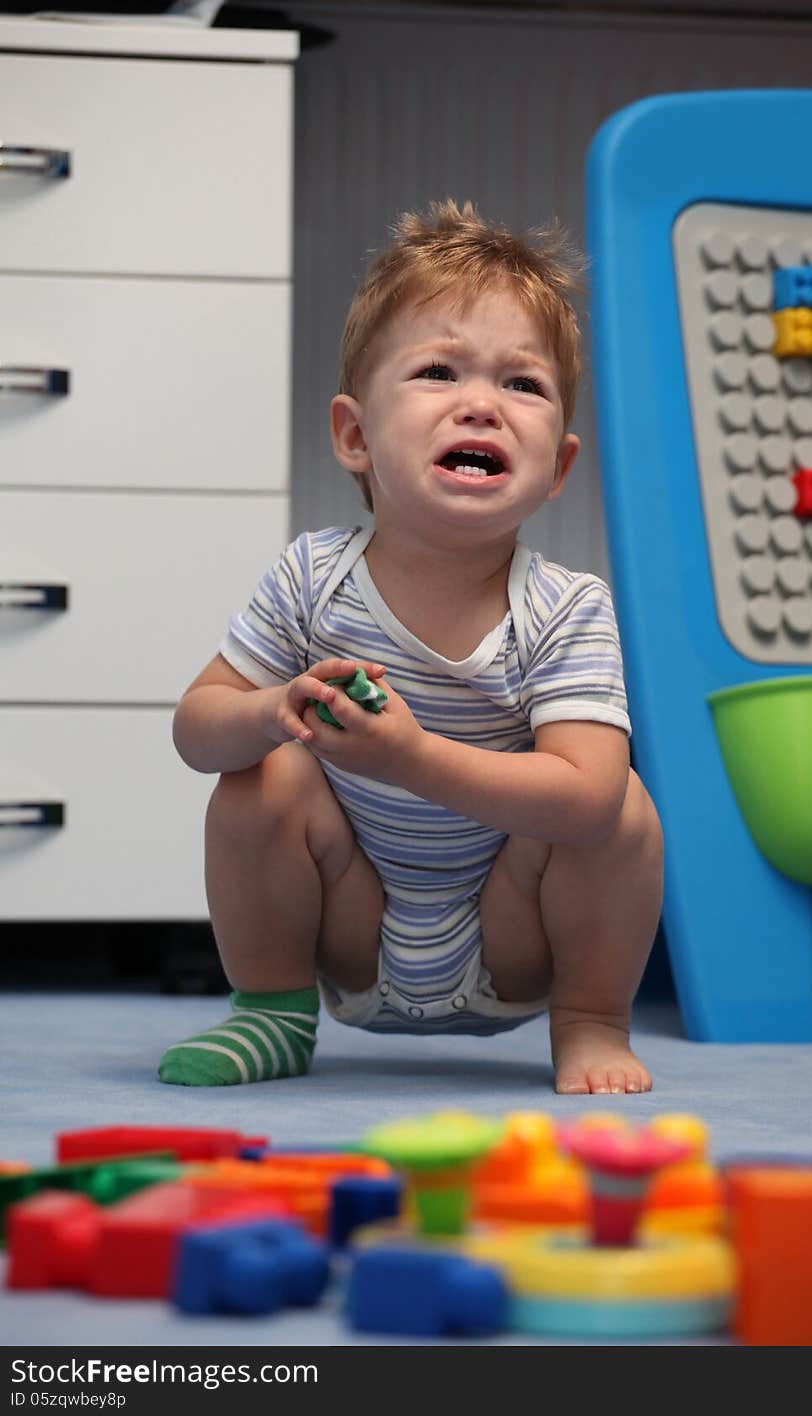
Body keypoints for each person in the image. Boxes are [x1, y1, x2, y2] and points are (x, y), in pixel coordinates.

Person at [158, 199, 663, 1095]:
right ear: (355, 435)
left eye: (523, 384)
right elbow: (196, 730)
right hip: (352, 928)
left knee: (623, 807)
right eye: (440, 371)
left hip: (513, 938)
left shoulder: (565, 608)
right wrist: (268, 713)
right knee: (259, 774)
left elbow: (584, 803)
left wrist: (414, 758)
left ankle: (592, 1022)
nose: (483, 404)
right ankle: (270, 1012)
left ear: (559, 467)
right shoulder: (312, 579)